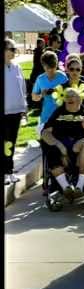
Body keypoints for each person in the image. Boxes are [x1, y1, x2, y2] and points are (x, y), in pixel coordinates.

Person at [41, 87, 84, 200]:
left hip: (81, 151)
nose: (69, 98)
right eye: (66, 96)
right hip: (61, 149)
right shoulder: (58, 112)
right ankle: (66, 187)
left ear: (79, 99)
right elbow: (45, 133)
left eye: (72, 95)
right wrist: (59, 145)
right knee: (51, 148)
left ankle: (79, 187)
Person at [4, 38, 27, 185]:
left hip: (16, 111)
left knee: (11, 143)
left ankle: (9, 171)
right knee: (5, 143)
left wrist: (24, 107)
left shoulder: (17, 67)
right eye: (12, 49)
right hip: (4, 113)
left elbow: (22, 88)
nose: (14, 52)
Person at [32, 51, 68, 135]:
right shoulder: (40, 79)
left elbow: (69, 94)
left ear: (56, 65)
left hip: (61, 117)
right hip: (46, 117)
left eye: (53, 67)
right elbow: (34, 97)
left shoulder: (62, 76)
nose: (51, 70)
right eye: (48, 68)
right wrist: (41, 95)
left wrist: (57, 91)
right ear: (43, 66)